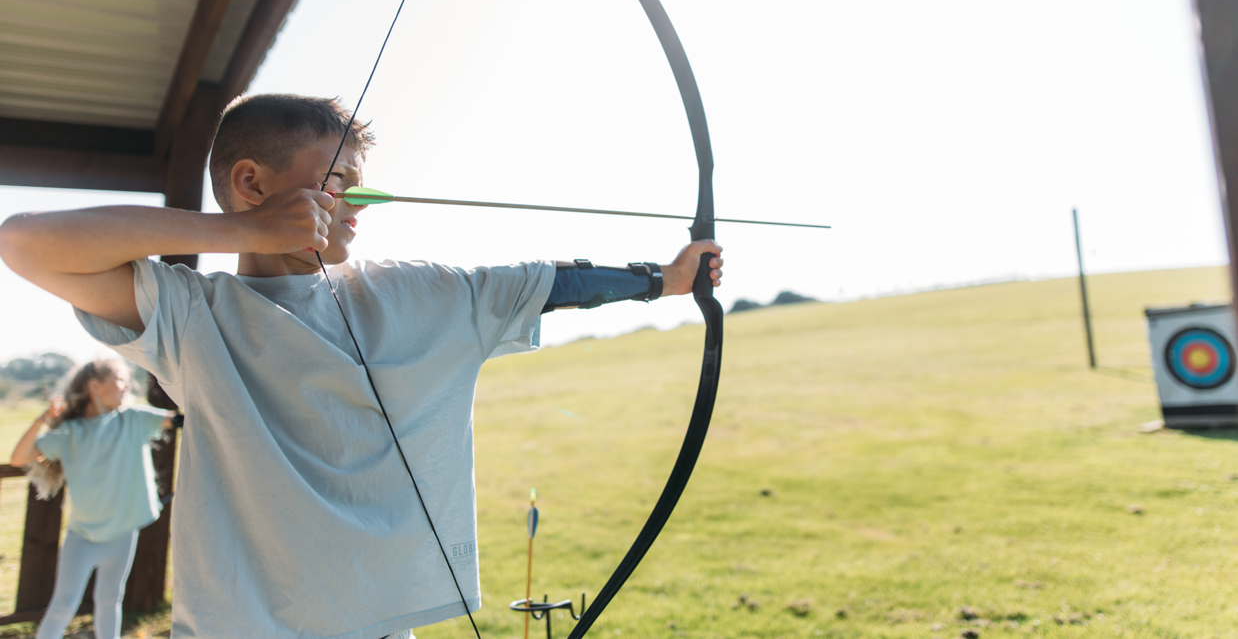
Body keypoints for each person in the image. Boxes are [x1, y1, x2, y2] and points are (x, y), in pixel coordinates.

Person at [0, 93, 723, 639]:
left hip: (376, 621)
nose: (360, 200)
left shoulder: (413, 292)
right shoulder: (193, 314)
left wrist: (663, 277)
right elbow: (25, 241)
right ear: (251, 182)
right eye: (341, 179)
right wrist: (239, 232)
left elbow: (547, 281)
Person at [11, 360, 175, 639]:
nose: (127, 386)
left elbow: (181, 419)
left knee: (111, 601)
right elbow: (19, 458)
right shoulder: (69, 433)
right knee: (63, 605)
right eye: (120, 379)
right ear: (95, 386)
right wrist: (41, 420)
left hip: (123, 533)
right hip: (82, 537)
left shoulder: (133, 418)